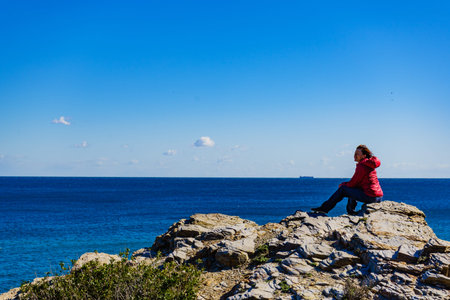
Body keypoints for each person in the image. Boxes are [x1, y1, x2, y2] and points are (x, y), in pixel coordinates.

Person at [312, 145, 383, 215]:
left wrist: (342, 185)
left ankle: (325, 209)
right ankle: (351, 211)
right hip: (378, 197)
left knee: (343, 189)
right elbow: (356, 184)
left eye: (357, 154)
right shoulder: (369, 164)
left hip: (370, 197)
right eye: (354, 154)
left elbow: (353, 183)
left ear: (364, 156)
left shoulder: (362, 166)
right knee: (351, 189)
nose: (354, 156)